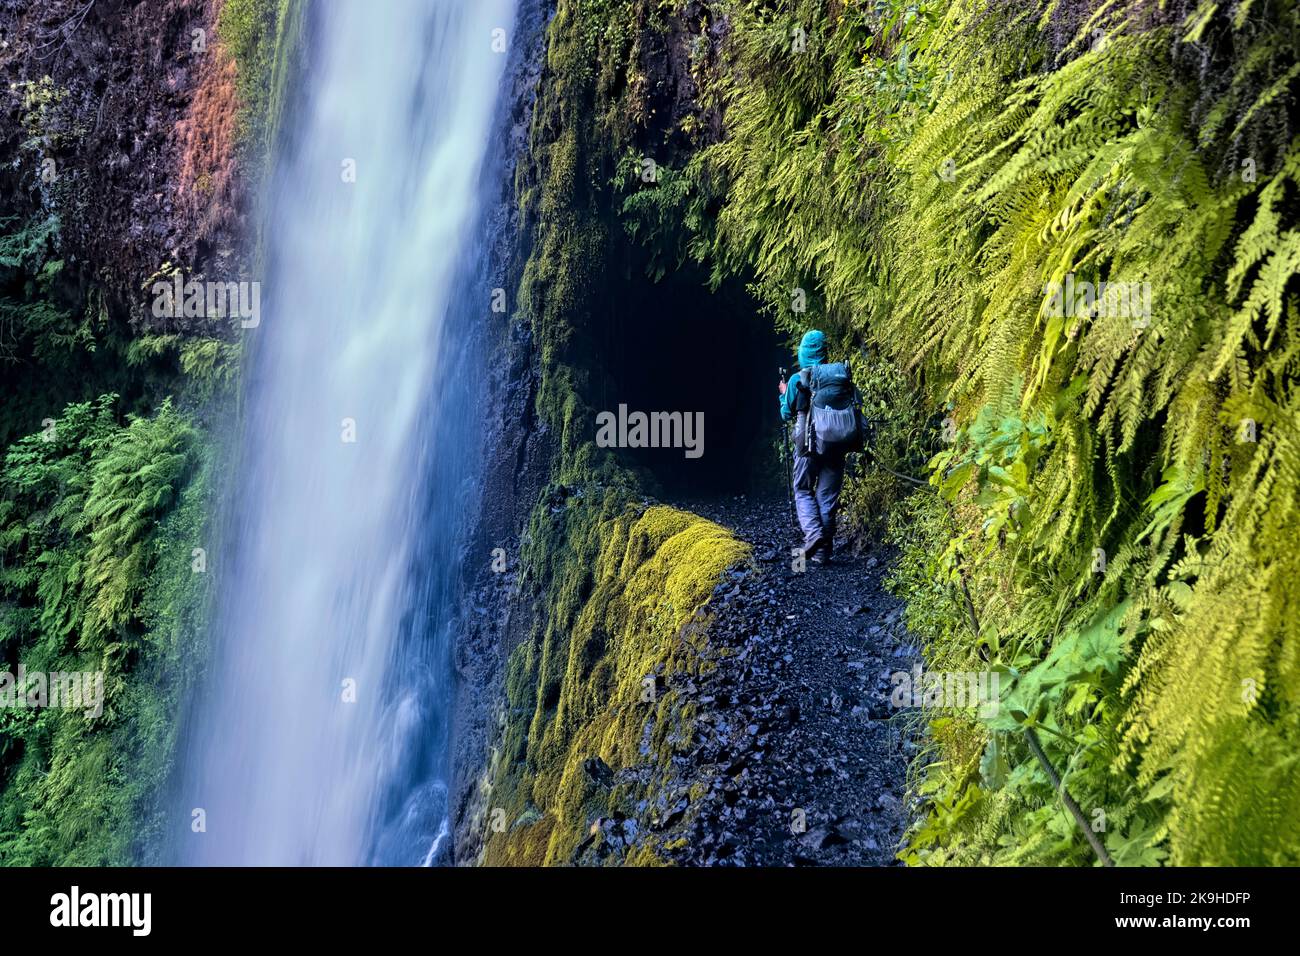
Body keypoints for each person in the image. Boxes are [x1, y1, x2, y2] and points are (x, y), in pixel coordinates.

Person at [779, 329, 851, 564]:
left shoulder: (796, 380)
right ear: (824, 353)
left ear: (803, 353)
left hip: (807, 444)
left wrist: (783, 396)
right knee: (827, 496)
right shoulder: (839, 376)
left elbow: (786, 413)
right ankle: (823, 553)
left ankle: (814, 536)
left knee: (802, 490)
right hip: (837, 442)